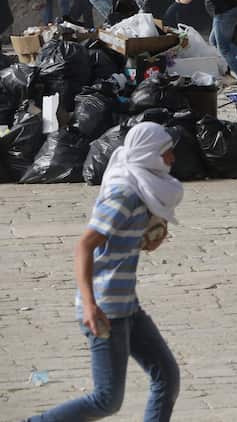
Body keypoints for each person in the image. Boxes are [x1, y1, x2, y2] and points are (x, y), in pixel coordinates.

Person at [28, 123, 183, 422]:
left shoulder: (142, 189)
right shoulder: (124, 194)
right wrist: (89, 305)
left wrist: (145, 242)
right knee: (107, 400)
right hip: (105, 309)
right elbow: (84, 247)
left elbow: (117, 246)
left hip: (127, 305)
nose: (172, 159)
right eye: (167, 153)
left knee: (167, 376)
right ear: (149, 155)